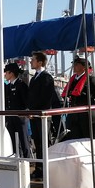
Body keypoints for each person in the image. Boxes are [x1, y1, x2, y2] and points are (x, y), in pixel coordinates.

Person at [27, 51, 60, 179]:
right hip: (34, 115)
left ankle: (47, 168)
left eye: (33, 60)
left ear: (40, 62)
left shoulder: (46, 78)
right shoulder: (35, 77)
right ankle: (39, 169)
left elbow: (46, 98)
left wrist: (36, 111)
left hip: (42, 115)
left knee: (44, 142)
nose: (31, 62)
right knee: (37, 142)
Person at [61, 57, 95, 140]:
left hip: (88, 117)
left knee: (90, 140)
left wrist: (94, 111)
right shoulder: (73, 81)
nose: (74, 66)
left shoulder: (91, 80)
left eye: (76, 64)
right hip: (74, 117)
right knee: (75, 140)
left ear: (84, 67)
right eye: (74, 64)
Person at [4, 62, 31, 158]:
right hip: (11, 117)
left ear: (11, 73)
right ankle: (17, 158)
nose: (5, 75)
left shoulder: (21, 85)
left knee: (24, 140)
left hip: (20, 117)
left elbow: (26, 102)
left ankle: (27, 160)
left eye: (6, 72)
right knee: (13, 140)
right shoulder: (8, 86)